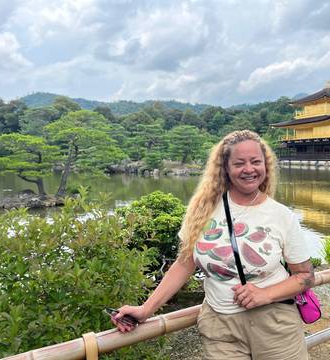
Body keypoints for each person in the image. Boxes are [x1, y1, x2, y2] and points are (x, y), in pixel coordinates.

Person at [113, 130, 315, 359]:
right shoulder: (202, 210)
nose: (249, 169)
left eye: (256, 162)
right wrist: (145, 309)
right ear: (225, 169)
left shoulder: (281, 215)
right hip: (219, 326)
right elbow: (184, 264)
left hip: (275, 323)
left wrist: (266, 294)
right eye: (239, 163)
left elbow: (306, 276)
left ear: (265, 165)